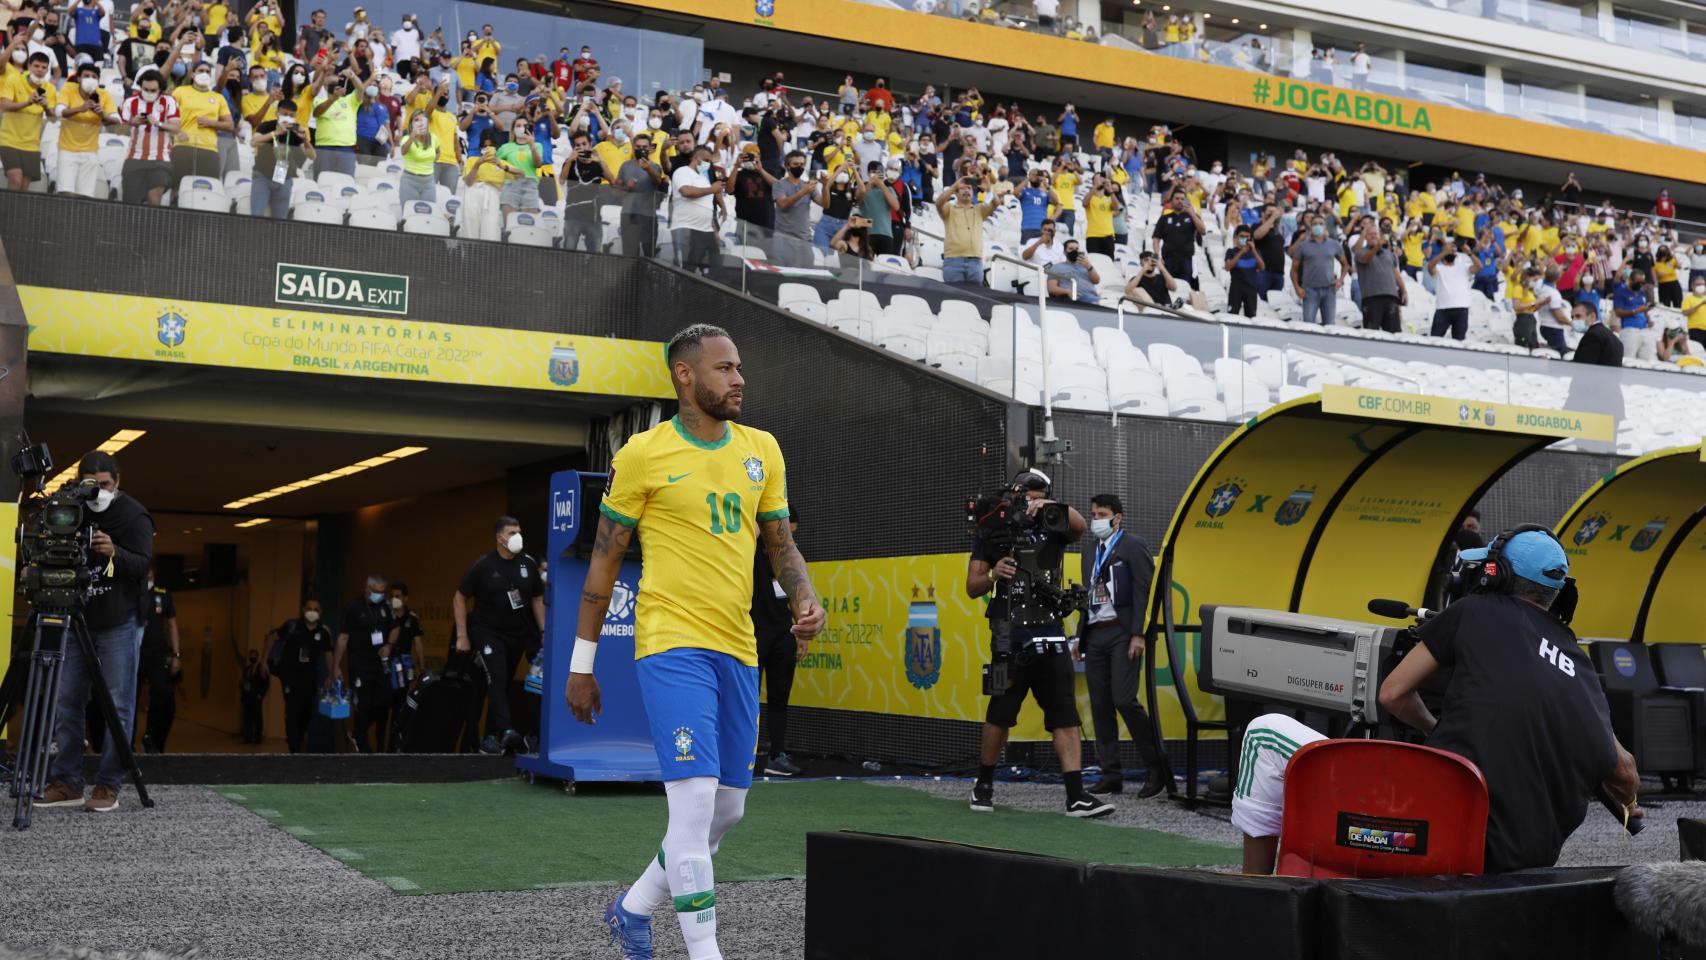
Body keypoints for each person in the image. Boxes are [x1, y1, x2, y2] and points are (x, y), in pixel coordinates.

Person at [575, 324, 825, 960]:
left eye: (738, 367)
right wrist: (581, 664)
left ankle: (632, 909)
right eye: (724, 368)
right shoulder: (643, 454)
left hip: (738, 647)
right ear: (684, 376)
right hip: (671, 642)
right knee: (691, 810)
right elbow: (603, 561)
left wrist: (803, 596)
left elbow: (781, 544)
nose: (739, 379)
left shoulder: (762, 448)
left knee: (726, 812)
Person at [1238, 530, 1641, 875]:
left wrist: (1434, 728)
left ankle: (1254, 891)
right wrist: (1627, 800)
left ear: (1495, 574)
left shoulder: (1475, 610)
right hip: (1523, 862)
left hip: (1433, 838)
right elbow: (1624, 772)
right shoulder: (1577, 660)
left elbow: (1392, 694)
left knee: (1265, 733)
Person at [966, 470, 1112, 819]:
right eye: (1027, 496)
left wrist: (1049, 505)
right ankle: (983, 785)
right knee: (1000, 712)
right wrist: (993, 574)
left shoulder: (1054, 522)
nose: (1031, 502)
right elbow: (972, 586)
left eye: (1038, 495)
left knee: (1065, 715)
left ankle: (1076, 796)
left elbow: (1079, 526)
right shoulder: (994, 530)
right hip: (1007, 634)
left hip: (1050, 631)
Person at [39, 453, 155, 813]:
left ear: (117, 481)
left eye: (105, 484)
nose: (98, 491)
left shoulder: (133, 515)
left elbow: (143, 565)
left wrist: (115, 551)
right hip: (77, 617)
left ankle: (108, 784)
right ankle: (67, 782)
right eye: (91, 485)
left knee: (118, 705)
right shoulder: (72, 509)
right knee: (67, 699)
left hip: (119, 619)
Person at [1077, 495, 1168, 799]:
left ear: (1118, 517)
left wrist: (1138, 634)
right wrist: (1079, 637)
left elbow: (1145, 591)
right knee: (1100, 704)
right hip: (1096, 633)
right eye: (1093, 514)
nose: (1096, 520)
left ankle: (1156, 765)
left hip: (1123, 633)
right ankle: (1110, 774)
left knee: (1124, 700)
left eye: (1102, 514)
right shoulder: (1089, 551)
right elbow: (1088, 594)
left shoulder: (1132, 545)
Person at [454, 517, 544, 755]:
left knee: (501, 684)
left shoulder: (528, 564)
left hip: (516, 635)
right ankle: (506, 731)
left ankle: (489, 738)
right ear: (499, 537)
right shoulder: (484, 565)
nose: (518, 536)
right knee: (497, 676)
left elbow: (537, 598)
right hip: (487, 632)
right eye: (512, 532)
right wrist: (462, 635)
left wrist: (543, 631)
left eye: (519, 531)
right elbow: (460, 597)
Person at [752, 510, 805, 776]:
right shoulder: (749, 545)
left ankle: (777, 755)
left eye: (792, 534)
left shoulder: (784, 556)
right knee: (746, 697)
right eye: (786, 531)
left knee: (780, 695)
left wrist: (801, 629)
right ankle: (742, 756)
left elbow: (794, 591)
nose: (788, 538)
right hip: (752, 632)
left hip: (782, 632)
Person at [333, 573, 398, 754]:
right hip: (360, 664)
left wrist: (389, 645)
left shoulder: (386, 606)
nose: (380, 595)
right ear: (366, 589)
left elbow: (395, 628)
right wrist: (335, 667)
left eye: (382, 592)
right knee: (363, 704)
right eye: (376, 591)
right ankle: (362, 745)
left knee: (383, 704)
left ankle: (362, 736)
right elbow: (343, 638)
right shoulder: (353, 607)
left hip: (381, 664)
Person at [266, 599, 332, 752]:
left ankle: (298, 738)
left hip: (310, 679)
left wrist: (332, 673)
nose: (312, 612)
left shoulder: (323, 631)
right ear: (303, 610)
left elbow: (328, 653)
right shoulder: (293, 626)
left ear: (320, 612)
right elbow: (272, 638)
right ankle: (293, 746)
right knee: (293, 710)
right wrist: (264, 661)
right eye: (309, 608)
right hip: (289, 677)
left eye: (315, 609)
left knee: (305, 712)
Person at [52, 60, 119, 198]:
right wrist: (80, 109)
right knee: (65, 193)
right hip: (67, 150)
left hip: (90, 152)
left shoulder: (104, 94)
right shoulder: (68, 88)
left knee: (86, 196)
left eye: (94, 77)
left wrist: (103, 115)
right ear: (78, 78)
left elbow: (117, 120)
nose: (90, 79)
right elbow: (59, 111)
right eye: (86, 76)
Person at [136, 573, 180, 754]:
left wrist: (176, 654)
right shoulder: (131, 591)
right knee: (130, 696)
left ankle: (152, 738)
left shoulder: (162, 594)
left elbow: (172, 624)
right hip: (134, 652)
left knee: (162, 693)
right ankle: (126, 741)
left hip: (157, 653)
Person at [0, 49, 55, 191]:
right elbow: (3, 105)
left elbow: (53, 118)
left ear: (47, 70)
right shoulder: (14, 79)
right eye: (36, 66)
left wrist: (47, 107)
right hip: (9, 140)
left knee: (24, 188)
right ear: (29, 66)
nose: (40, 70)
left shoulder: (50, 88)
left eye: (44, 67)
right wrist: (27, 102)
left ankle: (14, 207)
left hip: (32, 145)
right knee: (15, 180)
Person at [249, 94, 311, 218]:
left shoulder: (295, 131)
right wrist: (275, 133)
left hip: (284, 178)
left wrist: (305, 140)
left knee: (280, 221)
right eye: (285, 114)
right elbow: (253, 142)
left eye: (291, 115)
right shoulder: (267, 126)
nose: (288, 117)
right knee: (256, 216)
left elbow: (312, 156)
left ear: (295, 117)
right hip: (263, 176)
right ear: (277, 113)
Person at [936, 174, 998, 285]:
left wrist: (989, 189)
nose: (966, 191)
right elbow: (939, 203)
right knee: (954, 295)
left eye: (969, 188)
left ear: (973, 192)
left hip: (975, 262)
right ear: (956, 193)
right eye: (962, 188)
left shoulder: (980, 209)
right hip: (953, 261)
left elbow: (996, 203)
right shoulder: (949, 208)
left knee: (975, 295)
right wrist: (954, 186)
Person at [671, 144, 723, 274]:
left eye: (710, 161)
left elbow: (707, 206)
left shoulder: (704, 179)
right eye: (706, 160)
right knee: (686, 271)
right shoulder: (682, 171)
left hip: (706, 231)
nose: (708, 164)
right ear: (696, 158)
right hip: (687, 229)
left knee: (715, 270)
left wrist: (714, 230)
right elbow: (686, 191)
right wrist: (711, 189)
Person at [386, 583, 424, 752]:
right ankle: (379, 747)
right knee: (382, 707)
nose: (394, 599)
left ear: (405, 598)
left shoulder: (412, 618)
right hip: (386, 666)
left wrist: (422, 667)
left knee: (399, 708)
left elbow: (418, 643)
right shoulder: (385, 615)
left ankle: (392, 747)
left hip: (403, 666)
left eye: (398, 596)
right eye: (392, 596)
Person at [615, 132, 665, 258]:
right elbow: (616, 191)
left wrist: (648, 169)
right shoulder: (625, 166)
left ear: (650, 148)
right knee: (630, 254)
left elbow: (658, 181)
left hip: (648, 215)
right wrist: (627, 187)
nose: (641, 149)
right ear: (633, 147)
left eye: (644, 147)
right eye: (638, 147)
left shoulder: (655, 167)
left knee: (649, 255)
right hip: (628, 214)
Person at [1351, 218, 1406, 333]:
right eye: (1370, 234)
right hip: (1372, 298)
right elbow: (1365, 259)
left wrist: (1403, 290)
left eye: (1375, 234)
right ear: (1365, 237)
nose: (1373, 236)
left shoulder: (1389, 253)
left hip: (1391, 297)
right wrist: (1377, 247)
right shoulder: (1360, 252)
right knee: (1371, 333)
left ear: (1379, 235)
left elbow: (1396, 273)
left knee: (1395, 334)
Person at [1291, 216, 1348, 326]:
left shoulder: (1334, 244)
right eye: (1315, 224)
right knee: (1308, 325)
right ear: (1311, 226)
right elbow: (1293, 270)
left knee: (1330, 325)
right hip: (1309, 291)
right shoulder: (1303, 246)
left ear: (1325, 226)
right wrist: (1297, 288)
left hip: (1330, 290)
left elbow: (1345, 265)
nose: (1318, 226)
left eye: (1321, 223)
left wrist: (1340, 280)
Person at [1151, 188, 1204, 293]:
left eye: (1182, 199)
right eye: (1177, 198)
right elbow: (1156, 238)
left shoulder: (1192, 216)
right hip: (1168, 259)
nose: (1180, 201)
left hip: (1186, 259)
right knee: (1166, 288)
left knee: (1184, 288)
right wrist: (1156, 256)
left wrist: (1193, 214)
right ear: (1171, 201)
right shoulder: (1164, 218)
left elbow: (1203, 231)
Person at [1427, 237, 1480, 340]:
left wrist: (1469, 253)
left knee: (1459, 341)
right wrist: (1443, 253)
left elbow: (1479, 266)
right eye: (1448, 249)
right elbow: (1430, 267)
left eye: (1452, 250)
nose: (1450, 251)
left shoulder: (1464, 267)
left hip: (1461, 308)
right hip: (1443, 309)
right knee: (1435, 339)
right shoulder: (1439, 268)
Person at [1224, 226, 1265, 319]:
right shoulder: (1231, 252)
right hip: (1236, 287)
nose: (1244, 239)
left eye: (1247, 237)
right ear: (1236, 237)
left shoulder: (1255, 253)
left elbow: (1262, 267)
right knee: (1232, 316)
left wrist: (1253, 251)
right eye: (1242, 236)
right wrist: (1241, 252)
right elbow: (1228, 267)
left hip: (1251, 288)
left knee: (1251, 317)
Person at [1046, 239, 1101, 304]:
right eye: (1071, 249)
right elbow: (1051, 288)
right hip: (1076, 298)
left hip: (1093, 297)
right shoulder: (1057, 267)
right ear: (1064, 252)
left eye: (1076, 249)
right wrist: (1067, 291)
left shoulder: (1085, 265)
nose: (1074, 251)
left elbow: (1096, 281)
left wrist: (1089, 267)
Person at [1570, 300, 1622, 367]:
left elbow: (1582, 365)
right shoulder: (1614, 338)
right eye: (1572, 317)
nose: (1574, 320)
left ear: (1592, 316)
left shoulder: (1592, 336)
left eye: (1578, 316)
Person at [240, 647, 268, 744]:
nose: (252, 658)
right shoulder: (247, 669)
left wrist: (261, 694)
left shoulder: (261, 668)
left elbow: (266, 683)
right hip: (247, 697)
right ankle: (248, 738)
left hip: (256, 697)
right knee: (247, 719)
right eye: (251, 656)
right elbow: (242, 681)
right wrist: (243, 685)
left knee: (257, 718)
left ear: (257, 657)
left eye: (254, 656)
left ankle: (257, 738)